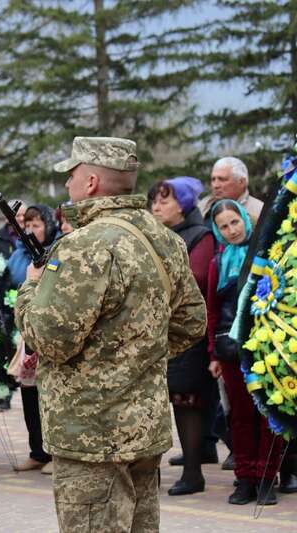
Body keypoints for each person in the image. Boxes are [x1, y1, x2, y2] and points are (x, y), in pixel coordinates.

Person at [15, 136, 206, 533]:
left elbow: (49, 337)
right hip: (144, 425)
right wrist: (133, 357)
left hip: (89, 434)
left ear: (90, 183)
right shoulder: (165, 238)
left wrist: (31, 287)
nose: (67, 184)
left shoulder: (84, 246)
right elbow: (190, 321)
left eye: (71, 175)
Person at [206, 199, 283, 505]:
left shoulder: (265, 255)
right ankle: (245, 478)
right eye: (223, 226)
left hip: (265, 348)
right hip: (230, 350)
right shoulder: (218, 262)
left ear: (245, 220)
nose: (231, 230)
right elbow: (212, 310)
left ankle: (267, 478)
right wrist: (213, 353)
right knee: (238, 416)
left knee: (265, 415)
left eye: (234, 222)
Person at [148, 177, 216, 496]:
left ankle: (193, 474)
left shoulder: (199, 235)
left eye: (164, 200)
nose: (156, 206)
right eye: (154, 201)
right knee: (175, 401)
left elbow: (198, 278)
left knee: (188, 400)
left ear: (183, 205)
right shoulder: (155, 236)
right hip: (160, 333)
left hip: (189, 333)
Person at [6, 204, 58, 475]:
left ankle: (53, 453)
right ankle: (36, 451)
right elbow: (13, 277)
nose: (31, 230)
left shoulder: (59, 248)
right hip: (26, 331)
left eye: (37, 225)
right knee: (28, 394)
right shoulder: (20, 253)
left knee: (47, 395)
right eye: (27, 225)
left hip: (47, 330)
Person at [197, 157, 264, 225]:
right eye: (213, 179)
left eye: (222, 179)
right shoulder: (203, 205)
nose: (215, 185)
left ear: (241, 182)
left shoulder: (259, 212)